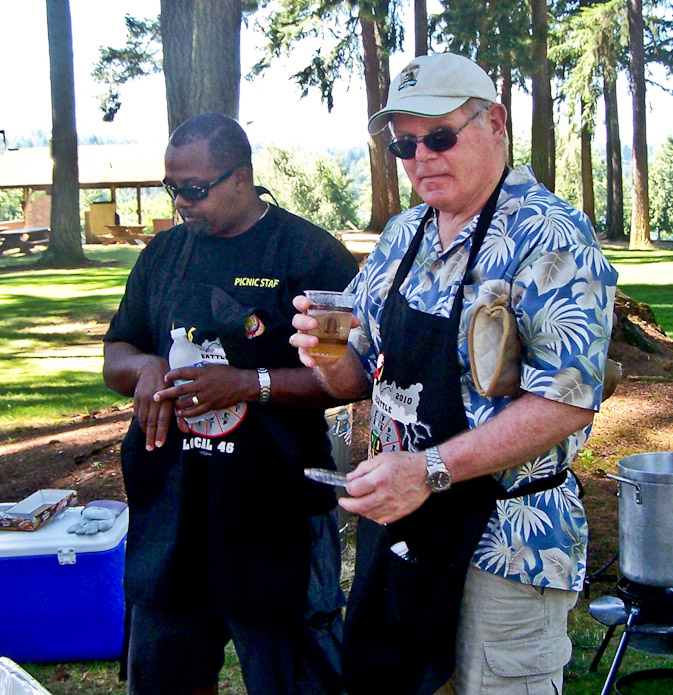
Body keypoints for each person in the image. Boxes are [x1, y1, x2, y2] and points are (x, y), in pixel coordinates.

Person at [291, 53, 618, 695]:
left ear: (495, 123)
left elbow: (567, 400)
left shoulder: (550, 235)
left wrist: (428, 470)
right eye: (405, 144)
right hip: (402, 527)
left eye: (439, 136)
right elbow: (356, 377)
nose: (421, 158)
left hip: (504, 545)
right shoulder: (402, 234)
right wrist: (326, 356)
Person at [102, 112, 359, 695]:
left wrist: (248, 383)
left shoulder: (315, 257)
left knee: (294, 678)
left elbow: (348, 380)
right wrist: (144, 368)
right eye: (171, 188)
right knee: (166, 678)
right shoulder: (162, 255)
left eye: (194, 189)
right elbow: (116, 352)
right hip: (173, 513)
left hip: (275, 512)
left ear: (241, 178)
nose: (180, 202)